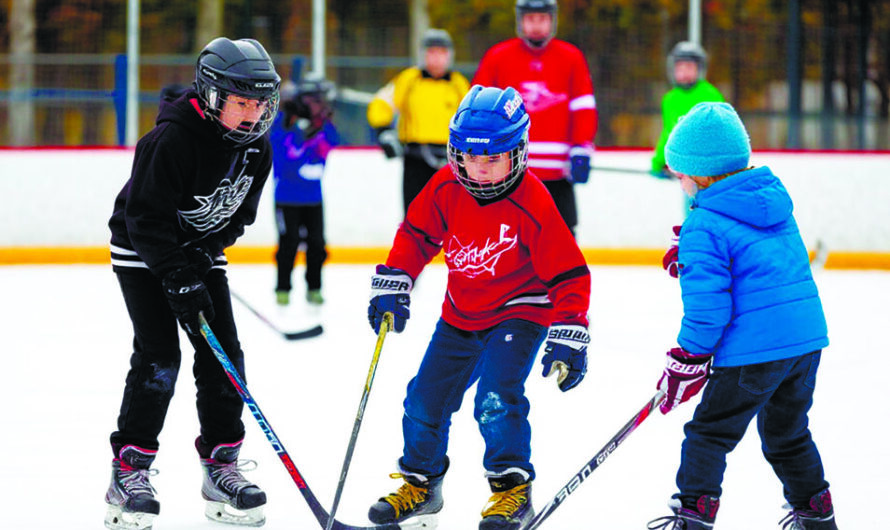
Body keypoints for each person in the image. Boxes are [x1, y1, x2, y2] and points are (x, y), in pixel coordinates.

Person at [365, 85, 591, 530]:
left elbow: (568, 273)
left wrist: (570, 329)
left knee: (495, 397)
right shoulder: (446, 185)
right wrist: (396, 279)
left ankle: (512, 492)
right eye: (469, 156)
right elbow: (416, 234)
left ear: (518, 152)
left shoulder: (533, 200)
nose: (480, 169)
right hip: (461, 312)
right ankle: (422, 484)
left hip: (519, 311)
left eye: (493, 158)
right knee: (424, 399)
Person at [105, 37, 280, 530]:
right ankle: (129, 469)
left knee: (224, 353)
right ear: (211, 96)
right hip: (142, 251)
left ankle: (221, 465)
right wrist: (177, 276)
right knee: (160, 356)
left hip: (198, 252)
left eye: (260, 102)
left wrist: (202, 255)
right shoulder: (170, 141)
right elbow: (144, 218)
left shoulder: (256, 149)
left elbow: (238, 216)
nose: (252, 114)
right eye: (241, 102)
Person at [648, 102, 837, 530]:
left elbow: (709, 310)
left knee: (708, 434)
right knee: (788, 435)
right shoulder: (771, 203)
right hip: (804, 345)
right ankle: (817, 513)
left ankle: (694, 516)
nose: (678, 182)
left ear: (700, 173)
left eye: (679, 174)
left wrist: (688, 357)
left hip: (752, 352)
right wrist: (698, 257)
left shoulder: (703, 225)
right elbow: (762, 264)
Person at [473, 0, 598, 235]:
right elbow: (479, 111)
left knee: (562, 235)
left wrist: (581, 147)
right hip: (509, 173)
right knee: (508, 237)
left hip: (558, 172)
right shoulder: (498, 57)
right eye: (531, 18)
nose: (536, 25)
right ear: (520, 21)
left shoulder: (571, 58)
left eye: (542, 18)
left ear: (553, 20)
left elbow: (583, 108)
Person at [366, 28, 470, 214]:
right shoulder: (409, 79)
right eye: (431, 52)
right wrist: (383, 130)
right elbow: (382, 102)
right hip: (416, 158)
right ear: (423, 55)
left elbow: (472, 118)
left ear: (450, 56)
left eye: (442, 53)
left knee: (449, 215)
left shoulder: (459, 84)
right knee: (415, 214)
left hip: (451, 161)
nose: (437, 58)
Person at [271, 75, 340, 306]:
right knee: (288, 243)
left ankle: (314, 287)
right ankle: (283, 288)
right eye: (315, 100)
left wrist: (317, 132)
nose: (320, 106)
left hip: (313, 197)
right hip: (287, 198)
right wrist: (301, 138)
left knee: (317, 243)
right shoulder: (284, 122)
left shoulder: (323, 123)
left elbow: (331, 143)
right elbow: (282, 159)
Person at [650, 41, 724, 179]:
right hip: (684, 169)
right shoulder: (670, 99)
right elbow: (668, 133)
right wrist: (659, 161)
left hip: (707, 169)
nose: (683, 73)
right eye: (679, 68)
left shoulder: (710, 95)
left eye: (689, 67)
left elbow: (720, 133)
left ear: (700, 69)